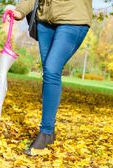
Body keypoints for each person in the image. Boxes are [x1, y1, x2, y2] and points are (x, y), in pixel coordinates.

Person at [12, 0, 92, 155]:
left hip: (73, 20)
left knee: (52, 68)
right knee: (49, 73)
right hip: (45, 21)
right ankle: (49, 132)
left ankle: (45, 132)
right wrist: (20, 11)